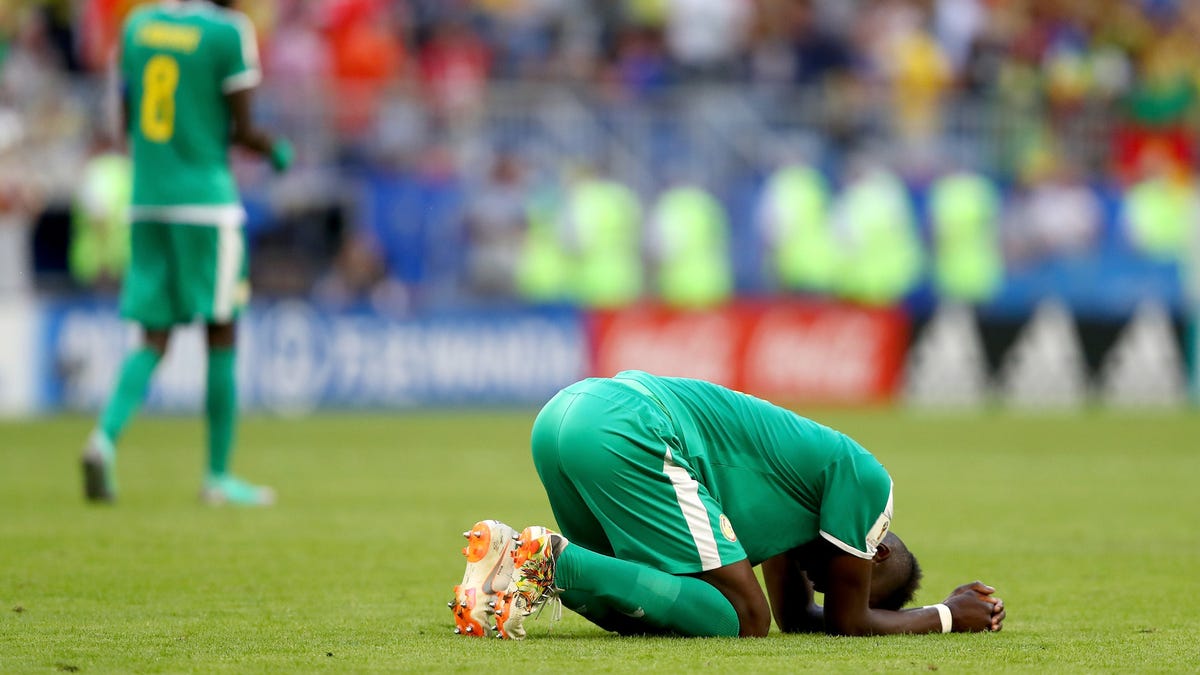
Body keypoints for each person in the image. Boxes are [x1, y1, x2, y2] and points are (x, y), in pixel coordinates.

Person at [452, 370, 1005, 639]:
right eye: (844, 576)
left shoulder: (795, 520)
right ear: (874, 551)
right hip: (633, 426)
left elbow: (804, 620)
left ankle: (504, 579)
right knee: (744, 618)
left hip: (564, 414)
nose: (824, 584)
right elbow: (847, 618)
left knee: (643, 602)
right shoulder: (865, 483)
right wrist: (947, 616)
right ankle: (551, 560)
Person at [80, 0, 293, 506]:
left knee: (152, 336)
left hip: (148, 198)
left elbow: (124, 114)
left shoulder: (139, 25)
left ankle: (102, 439)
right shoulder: (227, 32)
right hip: (204, 205)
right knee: (221, 330)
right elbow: (243, 129)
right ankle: (217, 476)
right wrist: (276, 151)